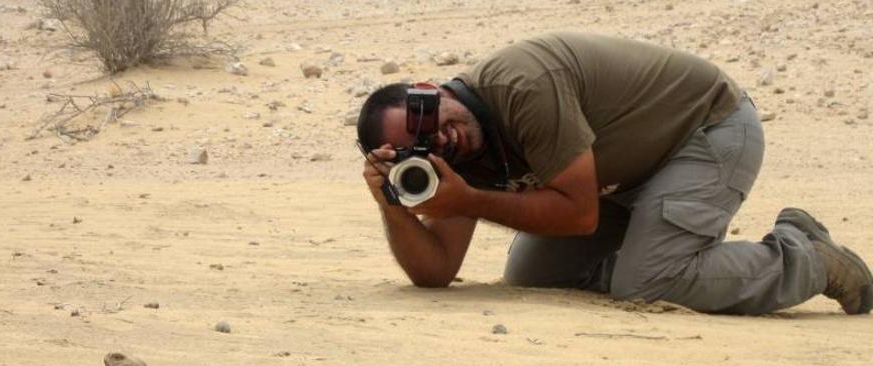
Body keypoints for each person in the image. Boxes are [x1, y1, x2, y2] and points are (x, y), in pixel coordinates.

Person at [355, 31, 872, 315]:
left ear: (429, 88)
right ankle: (651, 258)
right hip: (619, 176)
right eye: (414, 149)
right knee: (534, 277)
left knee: (651, 283)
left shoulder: (521, 86)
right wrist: (394, 206)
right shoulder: (457, 157)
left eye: (428, 120)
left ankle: (808, 259)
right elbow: (435, 273)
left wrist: (466, 200)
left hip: (705, 130)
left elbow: (578, 215)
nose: (437, 140)